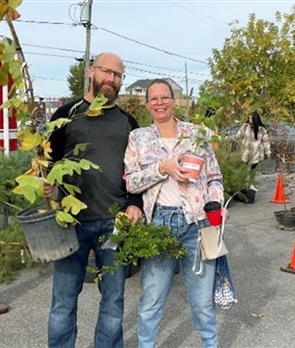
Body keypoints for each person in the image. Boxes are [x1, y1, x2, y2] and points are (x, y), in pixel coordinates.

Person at [44, 52, 143, 348]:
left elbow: (136, 170)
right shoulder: (66, 115)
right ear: (91, 71)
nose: (111, 79)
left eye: (117, 75)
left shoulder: (129, 122)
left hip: (115, 222)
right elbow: (48, 162)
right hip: (70, 223)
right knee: (63, 300)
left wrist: (134, 202)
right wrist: (48, 185)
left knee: (113, 300)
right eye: (106, 71)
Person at [123, 79, 224, 348]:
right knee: (151, 299)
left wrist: (215, 203)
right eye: (153, 99)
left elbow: (214, 175)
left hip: (198, 223)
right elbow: (131, 182)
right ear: (147, 105)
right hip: (159, 225)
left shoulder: (197, 133)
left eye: (164, 97)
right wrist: (162, 168)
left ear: (173, 100)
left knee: (202, 301)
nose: (160, 103)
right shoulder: (138, 138)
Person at [234, 111, 271, 190]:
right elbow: (239, 134)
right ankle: (243, 185)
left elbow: (266, 140)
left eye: (251, 118)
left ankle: (251, 184)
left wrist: (268, 151)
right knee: (244, 168)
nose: (250, 119)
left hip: (256, 152)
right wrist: (233, 137)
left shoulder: (261, 129)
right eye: (249, 118)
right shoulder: (245, 126)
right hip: (246, 151)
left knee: (252, 169)